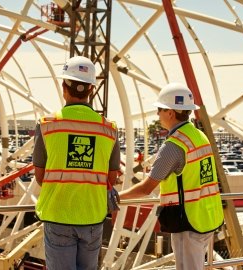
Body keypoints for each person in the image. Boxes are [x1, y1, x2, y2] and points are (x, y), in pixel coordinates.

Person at [119, 82, 224, 270]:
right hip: (207, 216)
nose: (158, 114)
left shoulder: (174, 146)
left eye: (160, 109)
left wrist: (115, 197)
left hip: (188, 222)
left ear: (170, 112)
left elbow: (146, 187)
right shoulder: (200, 136)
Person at [33, 55, 120, 270]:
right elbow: (111, 177)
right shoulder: (109, 129)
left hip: (58, 214)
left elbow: (40, 176)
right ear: (92, 89)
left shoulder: (47, 125)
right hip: (92, 216)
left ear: (64, 86)